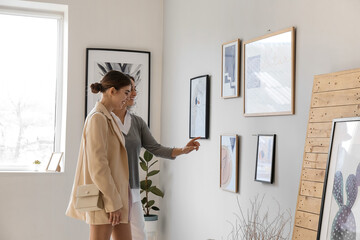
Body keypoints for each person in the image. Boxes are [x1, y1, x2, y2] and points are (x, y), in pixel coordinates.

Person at [112, 75, 200, 240]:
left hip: (132, 190)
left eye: (134, 89)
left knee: (139, 236)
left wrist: (183, 150)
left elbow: (156, 148)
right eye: (130, 89)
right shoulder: (104, 120)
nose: (134, 93)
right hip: (111, 191)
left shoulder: (137, 123)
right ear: (116, 91)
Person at [66, 70, 133, 240]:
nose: (128, 97)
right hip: (106, 200)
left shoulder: (108, 117)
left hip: (116, 197)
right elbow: (98, 166)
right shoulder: (98, 118)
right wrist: (113, 202)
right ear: (112, 91)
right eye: (126, 92)